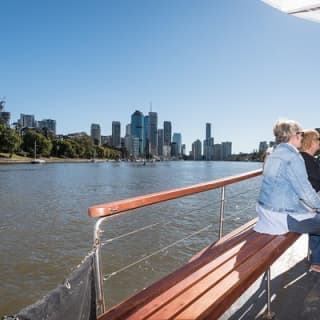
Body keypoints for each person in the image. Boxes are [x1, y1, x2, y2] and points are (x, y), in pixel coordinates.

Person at [254, 119, 320, 272]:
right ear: (294, 135)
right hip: (282, 217)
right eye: (301, 134)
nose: (302, 138)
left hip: (266, 212)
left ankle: (317, 261)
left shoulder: (272, 153)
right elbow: (305, 193)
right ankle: (317, 261)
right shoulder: (292, 157)